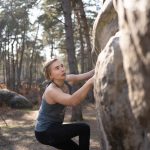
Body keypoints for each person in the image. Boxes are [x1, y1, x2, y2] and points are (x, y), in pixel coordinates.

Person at [34, 58, 94, 150]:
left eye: (62, 66)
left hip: (54, 128)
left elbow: (86, 75)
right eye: (57, 68)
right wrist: (90, 82)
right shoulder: (52, 91)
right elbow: (73, 101)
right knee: (84, 129)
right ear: (50, 76)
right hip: (45, 132)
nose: (62, 69)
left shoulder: (66, 79)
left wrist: (99, 67)